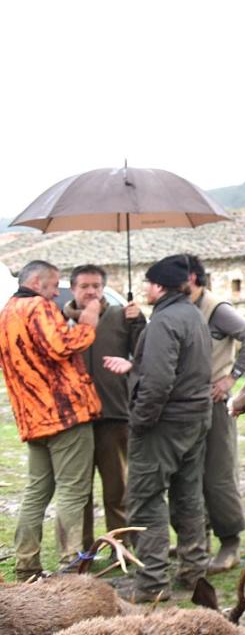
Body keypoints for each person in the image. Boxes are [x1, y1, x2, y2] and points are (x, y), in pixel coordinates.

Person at [0, 260, 102, 579]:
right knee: (72, 490)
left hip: (32, 420)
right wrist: (88, 323)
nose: (56, 291)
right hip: (64, 415)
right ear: (36, 281)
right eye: (53, 284)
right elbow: (61, 346)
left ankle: (27, 563)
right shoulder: (38, 307)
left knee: (36, 492)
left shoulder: (5, 313)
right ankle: (71, 563)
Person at [126, 254, 212, 601]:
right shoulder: (191, 314)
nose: (144, 288)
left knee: (146, 499)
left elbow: (158, 380)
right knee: (187, 494)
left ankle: (151, 583)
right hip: (194, 418)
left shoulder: (164, 321)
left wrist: (141, 420)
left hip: (164, 422)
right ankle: (194, 571)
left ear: (159, 285)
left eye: (147, 282)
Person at [182, 254, 245, 574]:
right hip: (186, 405)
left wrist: (232, 376)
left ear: (193, 278)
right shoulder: (181, 308)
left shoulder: (217, 309)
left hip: (215, 404)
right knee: (190, 474)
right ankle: (196, 538)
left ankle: (229, 542)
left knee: (218, 475)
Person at [63, 264, 145, 547]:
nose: (91, 291)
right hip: (74, 419)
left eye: (96, 286)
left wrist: (139, 321)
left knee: (117, 489)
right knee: (78, 490)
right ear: (73, 288)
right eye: (84, 286)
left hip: (114, 413)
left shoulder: (121, 315)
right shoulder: (59, 320)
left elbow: (143, 354)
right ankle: (83, 549)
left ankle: (119, 545)